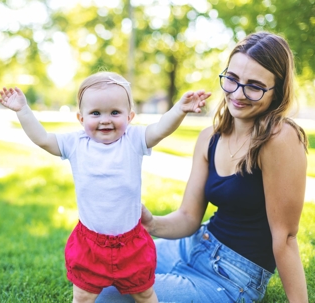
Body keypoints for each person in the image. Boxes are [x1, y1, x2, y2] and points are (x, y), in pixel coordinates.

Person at [95, 32, 309, 303]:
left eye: (254, 86)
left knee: (113, 297)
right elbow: (188, 216)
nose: (238, 94)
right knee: (100, 273)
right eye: (232, 79)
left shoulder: (280, 138)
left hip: (232, 276)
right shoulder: (210, 138)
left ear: (277, 90)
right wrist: (151, 223)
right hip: (193, 244)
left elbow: (286, 237)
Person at [0, 71, 210, 303]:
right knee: (83, 296)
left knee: (144, 292)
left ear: (130, 117)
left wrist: (179, 109)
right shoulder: (75, 143)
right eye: (96, 113)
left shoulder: (133, 139)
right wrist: (23, 111)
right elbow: (43, 139)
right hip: (90, 244)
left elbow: (160, 128)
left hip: (131, 244)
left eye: (115, 112)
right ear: (81, 118)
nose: (105, 120)